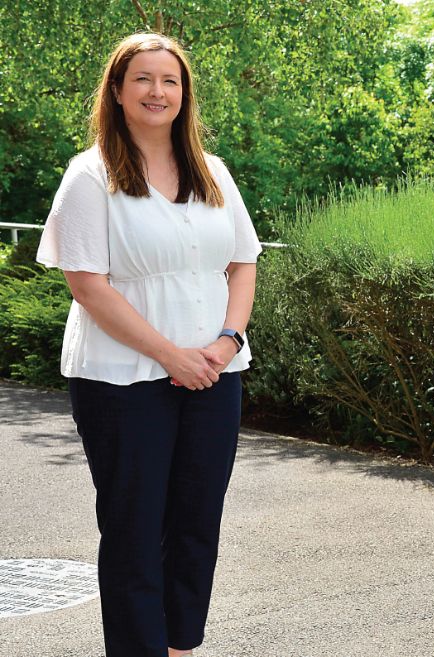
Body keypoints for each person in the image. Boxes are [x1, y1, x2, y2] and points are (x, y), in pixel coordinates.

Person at [35, 33, 260, 657]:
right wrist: (170, 354)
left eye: (170, 80)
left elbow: (244, 261)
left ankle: (181, 647)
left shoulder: (212, 171)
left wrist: (227, 338)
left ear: (184, 94)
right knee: (135, 531)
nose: (158, 91)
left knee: (195, 526)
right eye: (143, 79)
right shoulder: (91, 175)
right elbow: (87, 284)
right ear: (117, 89)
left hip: (216, 374)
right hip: (121, 380)